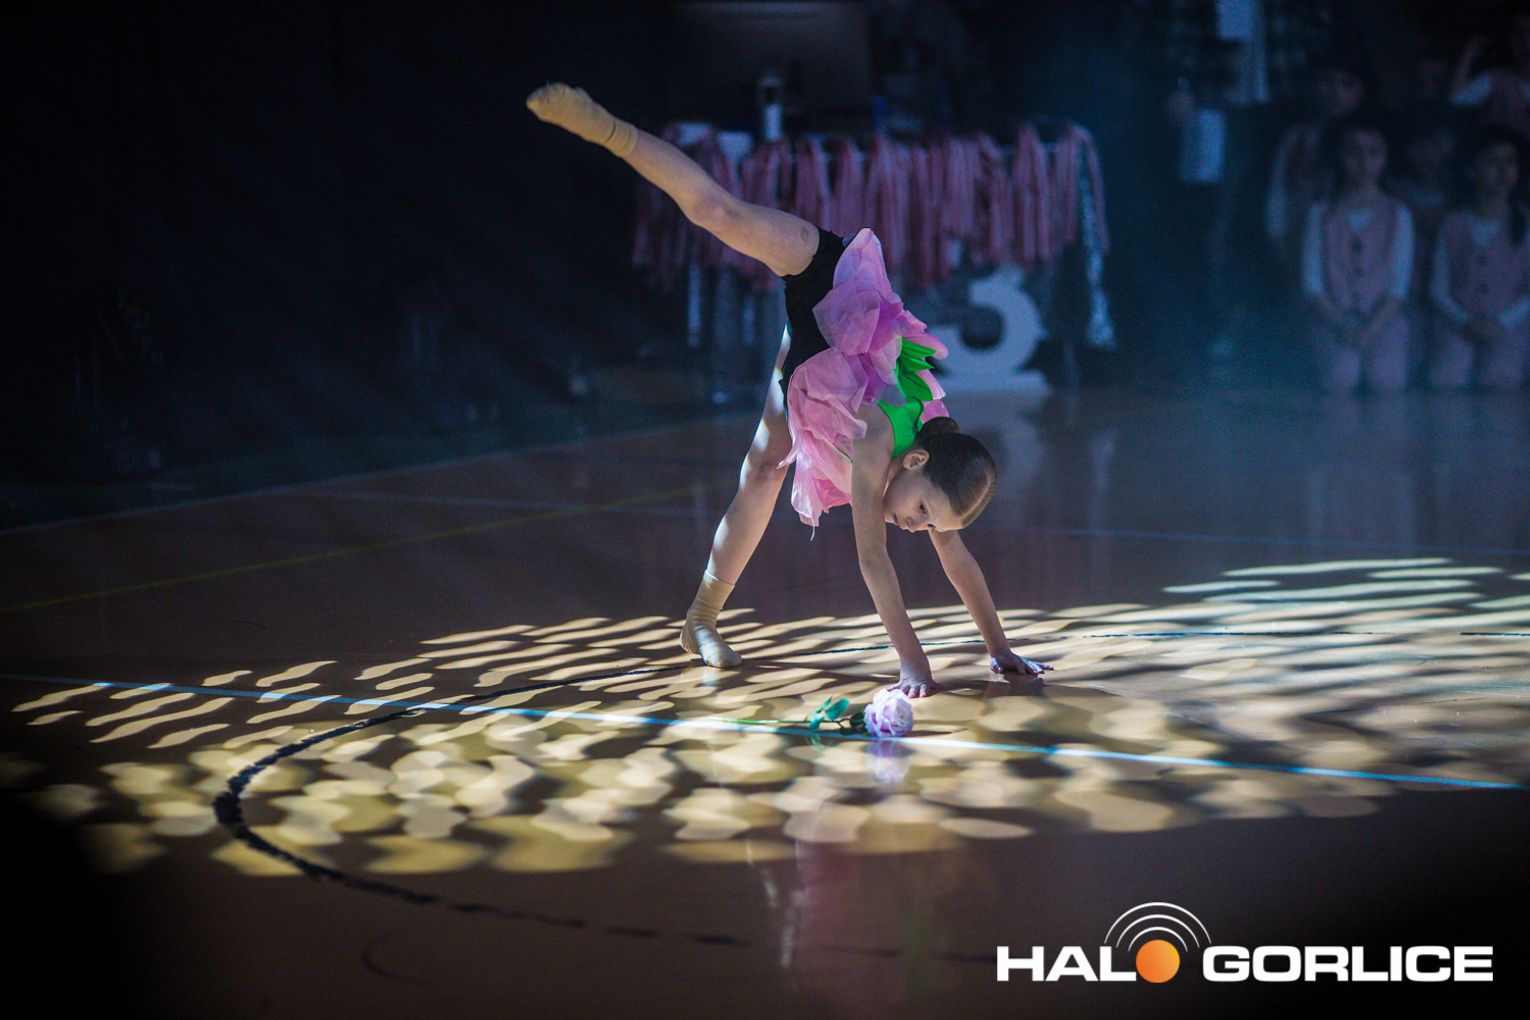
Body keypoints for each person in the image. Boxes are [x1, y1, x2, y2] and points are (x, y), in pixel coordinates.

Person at [525, 83, 1050, 697]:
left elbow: (958, 561)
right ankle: (604, 125)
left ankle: (698, 621)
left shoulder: (931, 468)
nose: (915, 527)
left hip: (816, 366)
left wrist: (999, 649)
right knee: (718, 212)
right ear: (915, 460)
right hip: (828, 284)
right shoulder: (877, 442)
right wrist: (915, 666)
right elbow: (872, 559)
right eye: (922, 513)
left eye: (925, 522)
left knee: (762, 474)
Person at [1300, 113, 1413, 395]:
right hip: (1333, 317)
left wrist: (1371, 329)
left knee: (1386, 381)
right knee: (1340, 379)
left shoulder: (1397, 214)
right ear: (1339, 156)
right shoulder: (1320, 214)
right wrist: (1342, 325)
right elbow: (1312, 284)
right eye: (1354, 152)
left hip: (1383, 319)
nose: (1364, 162)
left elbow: (1398, 287)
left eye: (1374, 153)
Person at [1427, 125, 1530, 391]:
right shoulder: (1452, 223)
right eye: (1492, 162)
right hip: (1458, 323)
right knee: (1447, 380)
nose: (1503, 171)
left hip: (1509, 325)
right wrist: (1463, 321)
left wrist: (1502, 323)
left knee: (1501, 380)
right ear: (1472, 170)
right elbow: (1438, 287)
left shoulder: (1525, 223)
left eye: (1510, 162)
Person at [1265, 51, 1369, 264]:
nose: (1336, 92)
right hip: (1300, 237)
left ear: (1361, 91)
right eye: (1328, 82)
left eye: (1347, 84)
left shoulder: (1368, 142)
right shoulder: (1297, 137)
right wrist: (1277, 234)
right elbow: (1279, 190)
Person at [1449, 6, 1530, 142]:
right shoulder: (1495, 80)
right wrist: (1468, 55)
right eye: (1519, 33)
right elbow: (1456, 100)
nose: (1526, 42)